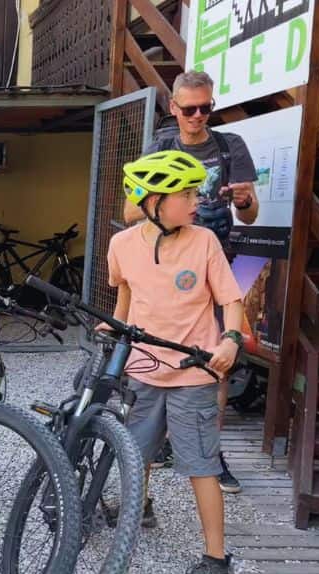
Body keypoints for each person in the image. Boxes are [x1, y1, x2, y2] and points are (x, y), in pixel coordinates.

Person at [109, 150, 244, 574]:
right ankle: (139, 509)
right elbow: (125, 302)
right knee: (136, 452)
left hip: (193, 373)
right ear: (153, 201)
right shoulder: (122, 245)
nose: (196, 200)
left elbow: (231, 299)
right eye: (186, 193)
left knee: (200, 466)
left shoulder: (204, 241)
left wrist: (230, 341)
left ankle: (217, 561)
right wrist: (112, 329)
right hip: (144, 369)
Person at [124, 70, 258, 496]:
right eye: (189, 109)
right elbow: (130, 213)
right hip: (164, 269)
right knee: (155, 355)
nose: (198, 116)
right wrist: (165, 204)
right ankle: (154, 445)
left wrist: (244, 200)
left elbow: (250, 214)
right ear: (173, 108)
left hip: (215, 264)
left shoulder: (229, 146)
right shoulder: (160, 145)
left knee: (214, 361)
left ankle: (210, 452)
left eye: (206, 108)